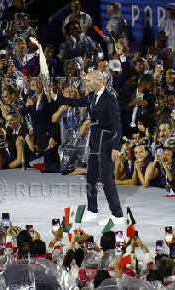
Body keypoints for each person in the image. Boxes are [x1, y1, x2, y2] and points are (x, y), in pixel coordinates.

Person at [52, 70, 124, 225]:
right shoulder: (92, 96)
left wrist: (116, 147)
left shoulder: (110, 99)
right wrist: (56, 97)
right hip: (93, 145)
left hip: (106, 146)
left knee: (107, 180)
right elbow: (76, 102)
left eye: (89, 81)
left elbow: (117, 124)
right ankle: (92, 210)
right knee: (91, 178)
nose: (86, 84)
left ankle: (117, 215)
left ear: (99, 81)